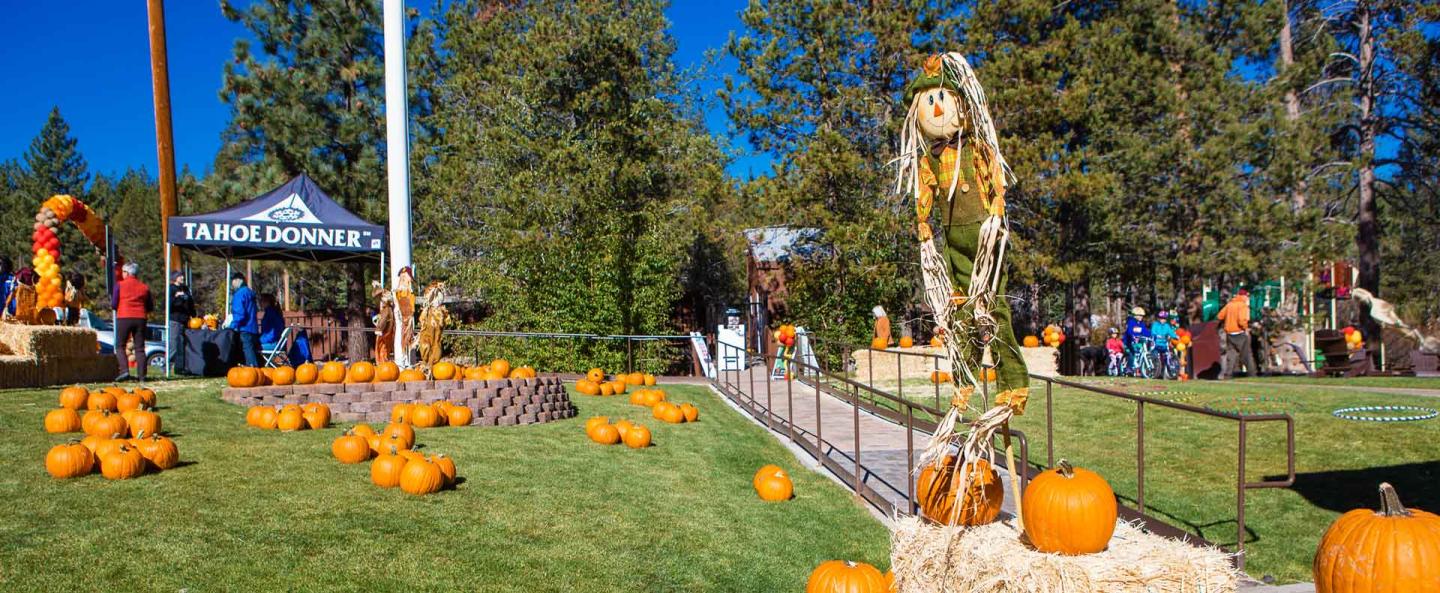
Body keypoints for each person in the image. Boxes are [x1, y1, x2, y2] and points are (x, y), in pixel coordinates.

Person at [113, 262, 154, 382]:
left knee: (120, 345)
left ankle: (125, 371)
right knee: (140, 348)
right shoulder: (144, 287)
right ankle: (142, 376)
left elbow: (114, 303)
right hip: (141, 318)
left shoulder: (119, 285)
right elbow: (150, 306)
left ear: (126, 273)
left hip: (124, 316)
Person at [1217, 289, 1258, 379]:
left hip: (1229, 333)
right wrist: (1246, 328)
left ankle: (1228, 375)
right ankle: (1252, 374)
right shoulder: (1243, 306)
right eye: (1247, 296)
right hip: (1240, 333)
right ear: (1243, 296)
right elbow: (1242, 320)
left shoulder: (1229, 304)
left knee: (1231, 355)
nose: (1248, 298)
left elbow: (1220, 316)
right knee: (1246, 354)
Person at [228, 273, 261, 367]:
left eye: (233, 281)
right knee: (252, 349)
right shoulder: (249, 292)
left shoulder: (239, 294)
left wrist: (232, 326)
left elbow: (240, 313)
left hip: (244, 327)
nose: (232, 284)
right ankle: (254, 368)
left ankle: (252, 369)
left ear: (239, 280)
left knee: (247, 349)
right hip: (253, 327)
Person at [168, 272, 196, 373]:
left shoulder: (186, 289)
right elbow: (168, 305)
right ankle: (168, 366)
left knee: (184, 344)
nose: (182, 277)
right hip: (175, 320)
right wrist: (176, 297)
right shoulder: (171, 289)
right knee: (174, 344)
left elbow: (191, 303)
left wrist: (194, 316)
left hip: (185, 320)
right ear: (175, 278)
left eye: (182, 276)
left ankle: (181, 367)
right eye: (180, 276)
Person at [1123, 307, 1153, 377]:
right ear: (1134, 315)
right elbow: (1129, 331)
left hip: (1138, 343)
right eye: (1139, 315)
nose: (1141, 317)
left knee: (1143, 351)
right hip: (1129, 342)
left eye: (1142, 316)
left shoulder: (1141, 323)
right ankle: (1129, 368)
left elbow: (1145, 331)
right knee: (1132, 353)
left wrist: (1150, 336)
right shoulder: (1131, 322)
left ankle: (1141, 368)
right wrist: (1133, 336)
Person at [1151, 310, 1180, 379]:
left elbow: (1171, 332)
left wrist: (1176, 336)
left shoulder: (1167, 326)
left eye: (1164, 318)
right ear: (1158, 318)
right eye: (1161, 318)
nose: (1162, 320)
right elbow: (1153, 332)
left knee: (1168, 356)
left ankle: (1169, 370)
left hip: (1164, 345)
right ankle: (1155, 370)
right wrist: (1156, 335)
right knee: (1155, 357)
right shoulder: (1155, 325)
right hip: (1156, 344)